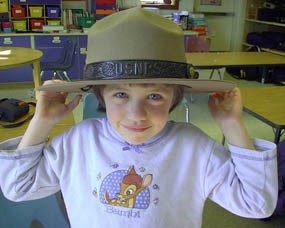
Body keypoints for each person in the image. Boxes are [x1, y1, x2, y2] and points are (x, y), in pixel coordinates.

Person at [0, 7, 278, 228]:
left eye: (154, 96)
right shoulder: (78, 141)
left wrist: (232, 126)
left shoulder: (193, 147)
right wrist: (42, 123)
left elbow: (256, 204)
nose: (136, 114)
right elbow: (18, 187)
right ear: (101, 96)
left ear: (174, 98)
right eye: (120, 94)